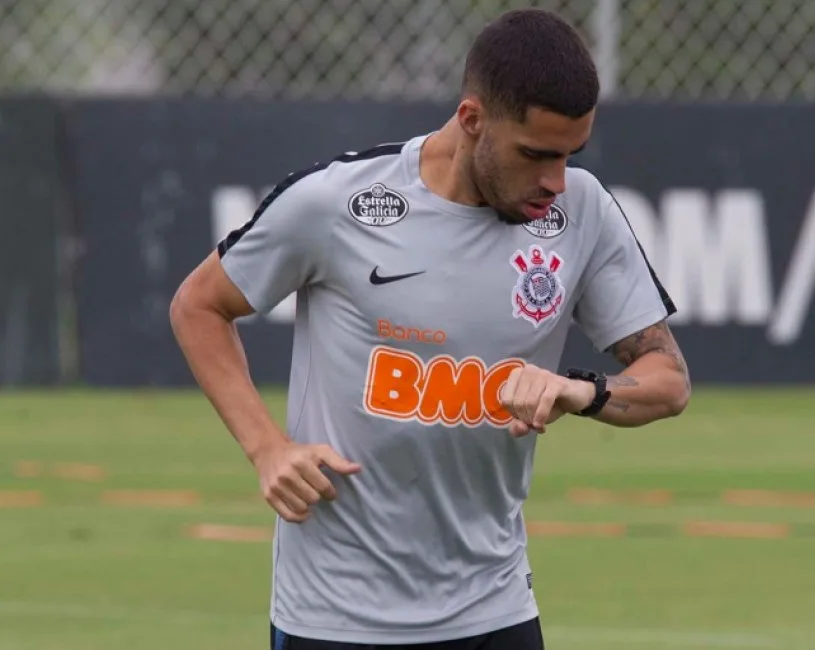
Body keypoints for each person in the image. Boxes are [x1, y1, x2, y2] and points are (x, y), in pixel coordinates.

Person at [170, 7, 691, 650]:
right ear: (472, 120)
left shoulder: (583, 212)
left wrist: (578, 390)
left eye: (569, 156)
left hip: (493, 611)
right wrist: (266, 449)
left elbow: (667, 379)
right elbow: (199, 306)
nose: (556, 181)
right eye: (535, 155)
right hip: (334, 617)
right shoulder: (336, 203)